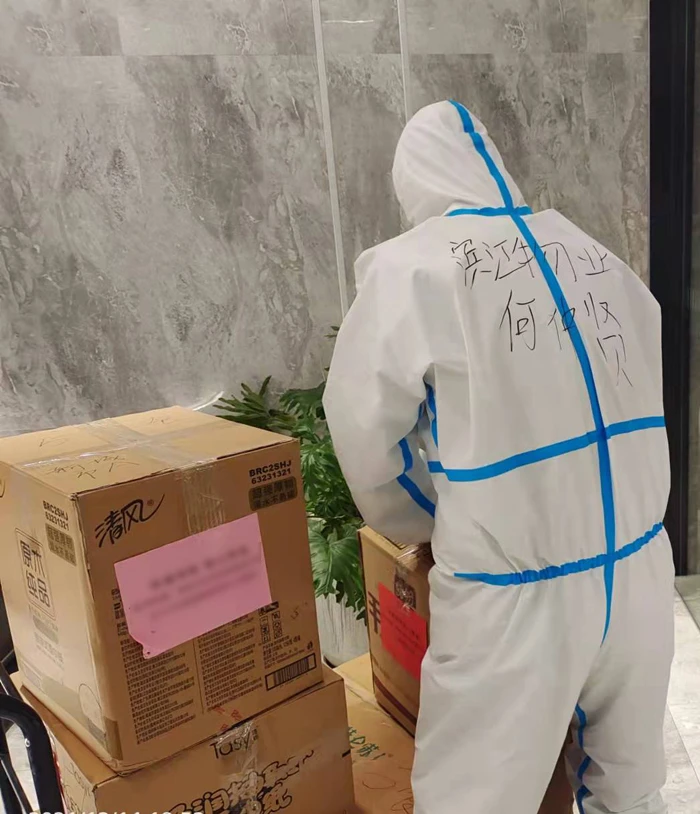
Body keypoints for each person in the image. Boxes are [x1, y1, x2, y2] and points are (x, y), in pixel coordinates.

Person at [323, 100, 674, 814]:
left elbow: (366, 437)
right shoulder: (593, 255)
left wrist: (431, 523)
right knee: (629, 791)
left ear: (414, 183)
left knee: (474, 799)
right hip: (640, 568)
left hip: (515, 596)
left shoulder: (413, 270)